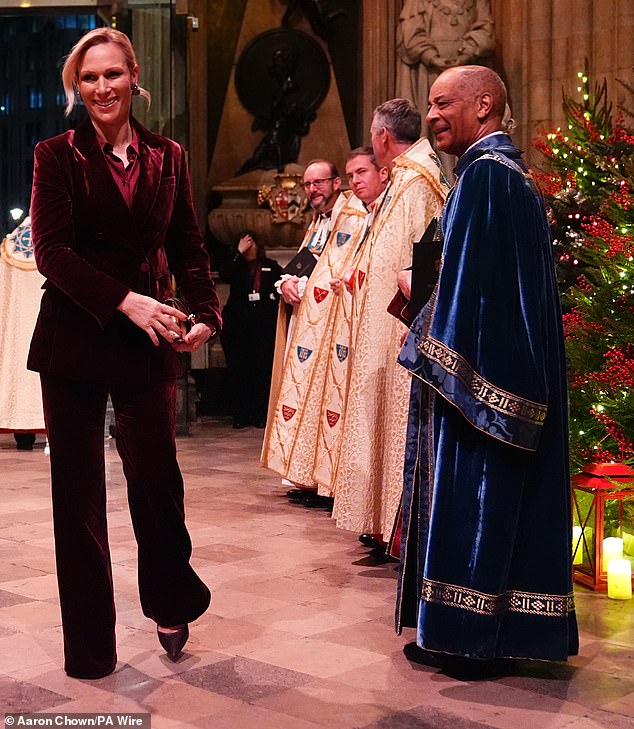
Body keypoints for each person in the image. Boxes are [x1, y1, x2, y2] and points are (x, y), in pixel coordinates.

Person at [27, 28, 221, 679]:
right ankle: (91, 650)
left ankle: (170, 597)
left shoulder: (168, 157)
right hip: (74, 341)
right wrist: (127, 301)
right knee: (76, 500)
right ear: (76, 88)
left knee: (157, 481)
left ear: (134, 78)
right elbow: (51, 253)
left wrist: (206, 314)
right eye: (89, 78)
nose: (103, 88)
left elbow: (191, 247)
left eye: (113, 75)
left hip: (146, 346)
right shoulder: (55, 155)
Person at [396, 66, 579, 665]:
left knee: (477, 500)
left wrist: (432, 350)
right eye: (429, 104)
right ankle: (506, 634)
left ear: (484, 104)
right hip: (510, 366)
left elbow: (471, 294)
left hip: (483, 378)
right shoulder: (508, 175)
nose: (432, 116)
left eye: (443, 103)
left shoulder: (482, 178)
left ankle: (467, 639)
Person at [327, 100, 447, 550]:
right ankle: (384, 523)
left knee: (399, 427)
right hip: (382, 326)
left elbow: (421, 260)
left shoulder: (416, 183)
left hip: (399, 329)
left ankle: (403, 531)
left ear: (381, 137)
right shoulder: (403, 179)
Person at [261, 159, 367, 507]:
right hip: (310, 317)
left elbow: (335, 266)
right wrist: (288, 281)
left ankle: (323, 479)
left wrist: (301, 284)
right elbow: (307, 260)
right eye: (308, 185)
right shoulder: (318, 220)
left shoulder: (350, 215)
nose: (312, 190)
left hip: (330, 317)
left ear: (337, 183)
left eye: (319, 183)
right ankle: (305, 474)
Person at [219, 231, 282, 428]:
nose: (249, 246)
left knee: (261, 371)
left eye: (251, 242)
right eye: (245, 242)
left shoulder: (270, 266)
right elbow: (224, 274)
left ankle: (260, 414)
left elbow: (281, 284)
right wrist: (238, 252)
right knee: (238, 370)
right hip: (238, 327)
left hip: (263, 327)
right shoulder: (236, 267)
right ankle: (240, 414)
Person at [396, 0, 495, 120]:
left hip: (467, 72)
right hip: (430, 72)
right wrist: (431, 57)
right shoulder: (417, 2)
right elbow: (409, 33)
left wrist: (467, 53)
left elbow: (486, 29)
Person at [0, 216, 46, 449]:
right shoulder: (56, 246)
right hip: (49, 336)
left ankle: (21, 428)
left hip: (16, 338)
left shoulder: (8, 250)